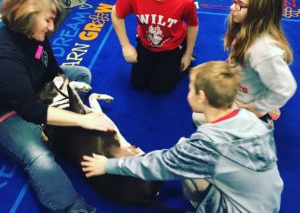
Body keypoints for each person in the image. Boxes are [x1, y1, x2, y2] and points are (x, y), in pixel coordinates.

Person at [81, 61, 283, 212]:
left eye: (190, 88)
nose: (187, 92)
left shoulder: (205, 146)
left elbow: (156, 165)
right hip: (269, 201)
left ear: (201, 96)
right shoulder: (252, 121)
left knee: (186, 166)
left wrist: (106, 165)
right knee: (189, 149)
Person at [0, 0, 114, 213]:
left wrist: (64, 88)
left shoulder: (32, 32)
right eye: (48, 21)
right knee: (38, 155)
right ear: (28, 17)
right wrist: (82, 119)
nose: (52, 27)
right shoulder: (6, 57)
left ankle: (53, 119)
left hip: (35, 88)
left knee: (82, 75)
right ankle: (72, 207)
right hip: (9, 111)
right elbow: (31, 110)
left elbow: (52, 69)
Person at [223, 0, 297, 123]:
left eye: (240, 4)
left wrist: (257, 107)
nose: (232, 7)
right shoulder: (246, 26)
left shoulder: (264, 51)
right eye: (233, 0)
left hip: (246, 101)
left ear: (259, 11)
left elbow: (285, 88)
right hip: (243, 86)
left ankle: (263, 118)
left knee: (199, 118)